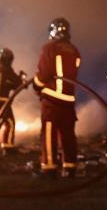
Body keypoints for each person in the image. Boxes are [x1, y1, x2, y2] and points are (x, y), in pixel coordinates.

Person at [33, 17, 81, 178]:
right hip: (68, 100)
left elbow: (43, 74)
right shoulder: (74, 50)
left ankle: (49, 168)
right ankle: (70, 167)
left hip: (52, 100)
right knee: (68, 134)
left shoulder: (49, 48)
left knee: (48, 133)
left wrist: (36, 85)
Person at [0, 47, 25, 148]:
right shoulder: (6, 70)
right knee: (10, 123)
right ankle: (8, 146)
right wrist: (22, 79)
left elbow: (4, 84)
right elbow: (17, 83)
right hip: (1, 102)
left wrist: (14, 85)